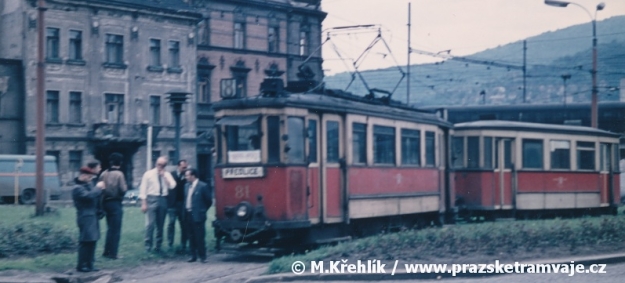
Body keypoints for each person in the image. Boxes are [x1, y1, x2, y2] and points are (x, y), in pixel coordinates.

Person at [139, 156, 176, 252]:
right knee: (150, 224)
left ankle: (158, 245)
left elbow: (172, 185)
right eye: (159, 164)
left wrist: (164, 176)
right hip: (151, 198)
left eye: (163, 165)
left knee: (160, 224)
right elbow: (143, 189)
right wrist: (144, 203)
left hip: (163, 198)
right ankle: (148, 245)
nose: (160, 166)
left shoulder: (167, 174)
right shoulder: (148, 174)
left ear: (165, 166)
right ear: (156, 163)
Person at [72, 166, 105, 272]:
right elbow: (88, 196)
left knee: (93, 240)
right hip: (85, 217)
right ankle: (81, 265)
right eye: (89, 177)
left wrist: (100, 210)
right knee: (85, 241)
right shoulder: (77, 188)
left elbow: (95, 197)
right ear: (83, 175)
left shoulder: (89, 185)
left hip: (93, 216)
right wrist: (98, 188)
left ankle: (90, 264)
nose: (91, 179)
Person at [100, 153, 128, 259]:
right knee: (115, 229)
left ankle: (106, 252)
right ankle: (113, 253)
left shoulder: (104, 173)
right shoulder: (119, 174)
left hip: (105, 202)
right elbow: (123, 189)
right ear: (120, 162)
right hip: (115, 202)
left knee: (109, 229)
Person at [183, 168, 213, 263]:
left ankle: (202, 256)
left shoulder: (203, 186)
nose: (186, 177)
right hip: (188, 213)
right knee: (190, 235)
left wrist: (202, 210)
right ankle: (193, 255)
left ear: (193, 176)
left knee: (199, 236)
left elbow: (209, 201)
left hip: (198, 214)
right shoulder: (186, 186)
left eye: (187, 175)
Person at [167, 160, 188, 252]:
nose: (185, 169)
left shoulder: (186, 176)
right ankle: (170, 244)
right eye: (183, 167)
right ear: (178, 166)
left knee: (184, 224)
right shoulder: (171, 175)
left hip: (182, 204)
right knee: (171, 223)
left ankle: (183, 244)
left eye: (186, 167)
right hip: (172, 204)